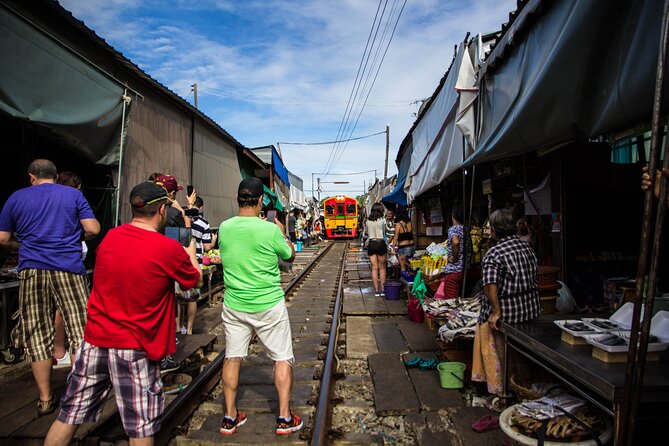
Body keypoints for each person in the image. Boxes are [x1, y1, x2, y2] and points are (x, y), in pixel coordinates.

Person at [44, 181, 202, 445]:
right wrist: (190, 248)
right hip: (135, 346)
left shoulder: (110, 238)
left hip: (94, 342)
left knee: (68, 415)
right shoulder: (167, 249)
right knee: (140, 428)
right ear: (161, 210)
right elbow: (193, 280)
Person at [0, 159, 100, 416]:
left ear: (31, 176)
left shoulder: (16, 198)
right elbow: (93, 229)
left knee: (36, 331)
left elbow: (3, 239)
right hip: (69, 268)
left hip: (32, 270)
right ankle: (81, 391)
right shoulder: (72, 195)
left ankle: (45, 398)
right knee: (81, 328)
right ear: (55, 176)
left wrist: (22, 246)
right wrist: (73, 237)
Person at [217, 177, 301, 436]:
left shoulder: (224, 227)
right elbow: (290, 255)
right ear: (261, 201)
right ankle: (285, 418)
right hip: (268, 305)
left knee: (232, 357)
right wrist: (281, 231)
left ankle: (230, 417)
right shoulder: (270, 230)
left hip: (234, 304)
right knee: (282, 358)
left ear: (238, 199)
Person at [471, 208, 539, 398]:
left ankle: (501, 391)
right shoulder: (527, 248)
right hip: (528, 311)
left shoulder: (494, 253)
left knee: (500, 355)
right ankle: (519, 386)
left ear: (493, 231)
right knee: (521, 356)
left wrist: (495, 312)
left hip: (505, 315)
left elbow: (490, 285)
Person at [51, 172, 87, 368]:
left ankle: (59, 352)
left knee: (60, 312)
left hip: (57, 262)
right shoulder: (71, 202)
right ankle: (63, 353)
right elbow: (92, 229)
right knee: (70, 314)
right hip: (67, 264)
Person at [183, 196, 217, 335]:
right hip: (196, 260)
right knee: (192, 296)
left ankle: (179, 327)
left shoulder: (182, 217)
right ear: (201, 207)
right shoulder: (204, 223)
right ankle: (189, 328)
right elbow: (208, 247)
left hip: (181, 258)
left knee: (179, 296)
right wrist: (213, 240)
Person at [364, 202, 387, 297]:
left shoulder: (367, 221)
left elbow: (367, 234)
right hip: (381, 243)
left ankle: (376, 290)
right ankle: (383, 290)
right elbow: (385, 234)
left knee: (374, 268)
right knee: (382, 268)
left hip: (372, 244)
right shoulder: (383, 220)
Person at [443, 206, 465, 299]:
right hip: (462, 269)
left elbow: (455, 242)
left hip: (453, 270)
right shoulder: (465, 229)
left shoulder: (454, 229)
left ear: (453, 216)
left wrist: (454, 258)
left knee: (450, 301)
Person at [391, 208, 414, 272]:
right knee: (410, 267)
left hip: (403, 248)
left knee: (403, 267)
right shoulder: (410, 223)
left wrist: (392, 247)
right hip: (412, 246)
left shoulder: (398, 224)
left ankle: (404, 279)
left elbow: (395, 237)